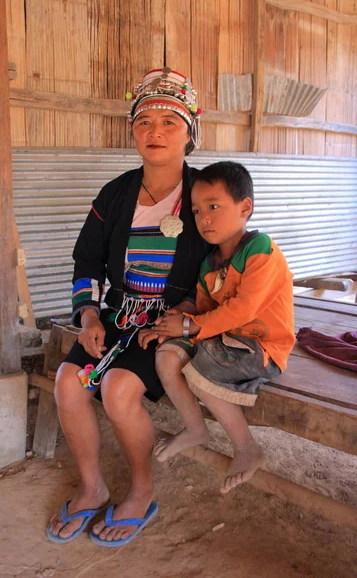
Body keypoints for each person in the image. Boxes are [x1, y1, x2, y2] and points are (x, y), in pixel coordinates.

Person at [47, 68, 210, 547]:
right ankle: (93, 486)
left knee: (118, 388)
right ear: (132, 130)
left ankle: (141, 492)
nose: (155, 132)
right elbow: (86, 259)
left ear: (189, 133)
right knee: (68, 383)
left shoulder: (205, 194)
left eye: (169, 122)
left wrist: (187, 315)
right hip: (117, 320)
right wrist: (89, 315)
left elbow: (224, 261)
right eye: (144, 122)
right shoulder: (116, 194)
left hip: (172, 326)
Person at [139, 161, 295, 495]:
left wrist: (189, 327)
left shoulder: (260, 250)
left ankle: (245, 448)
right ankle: (195, 429)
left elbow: (242, 310)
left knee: (202, 367)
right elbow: (201, 305)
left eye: (213, 206)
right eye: (196, 210)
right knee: (166, 356)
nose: (203, 218)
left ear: (245, 208)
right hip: (220, 338)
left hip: (261, 348)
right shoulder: (209, 263)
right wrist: (171, 321)